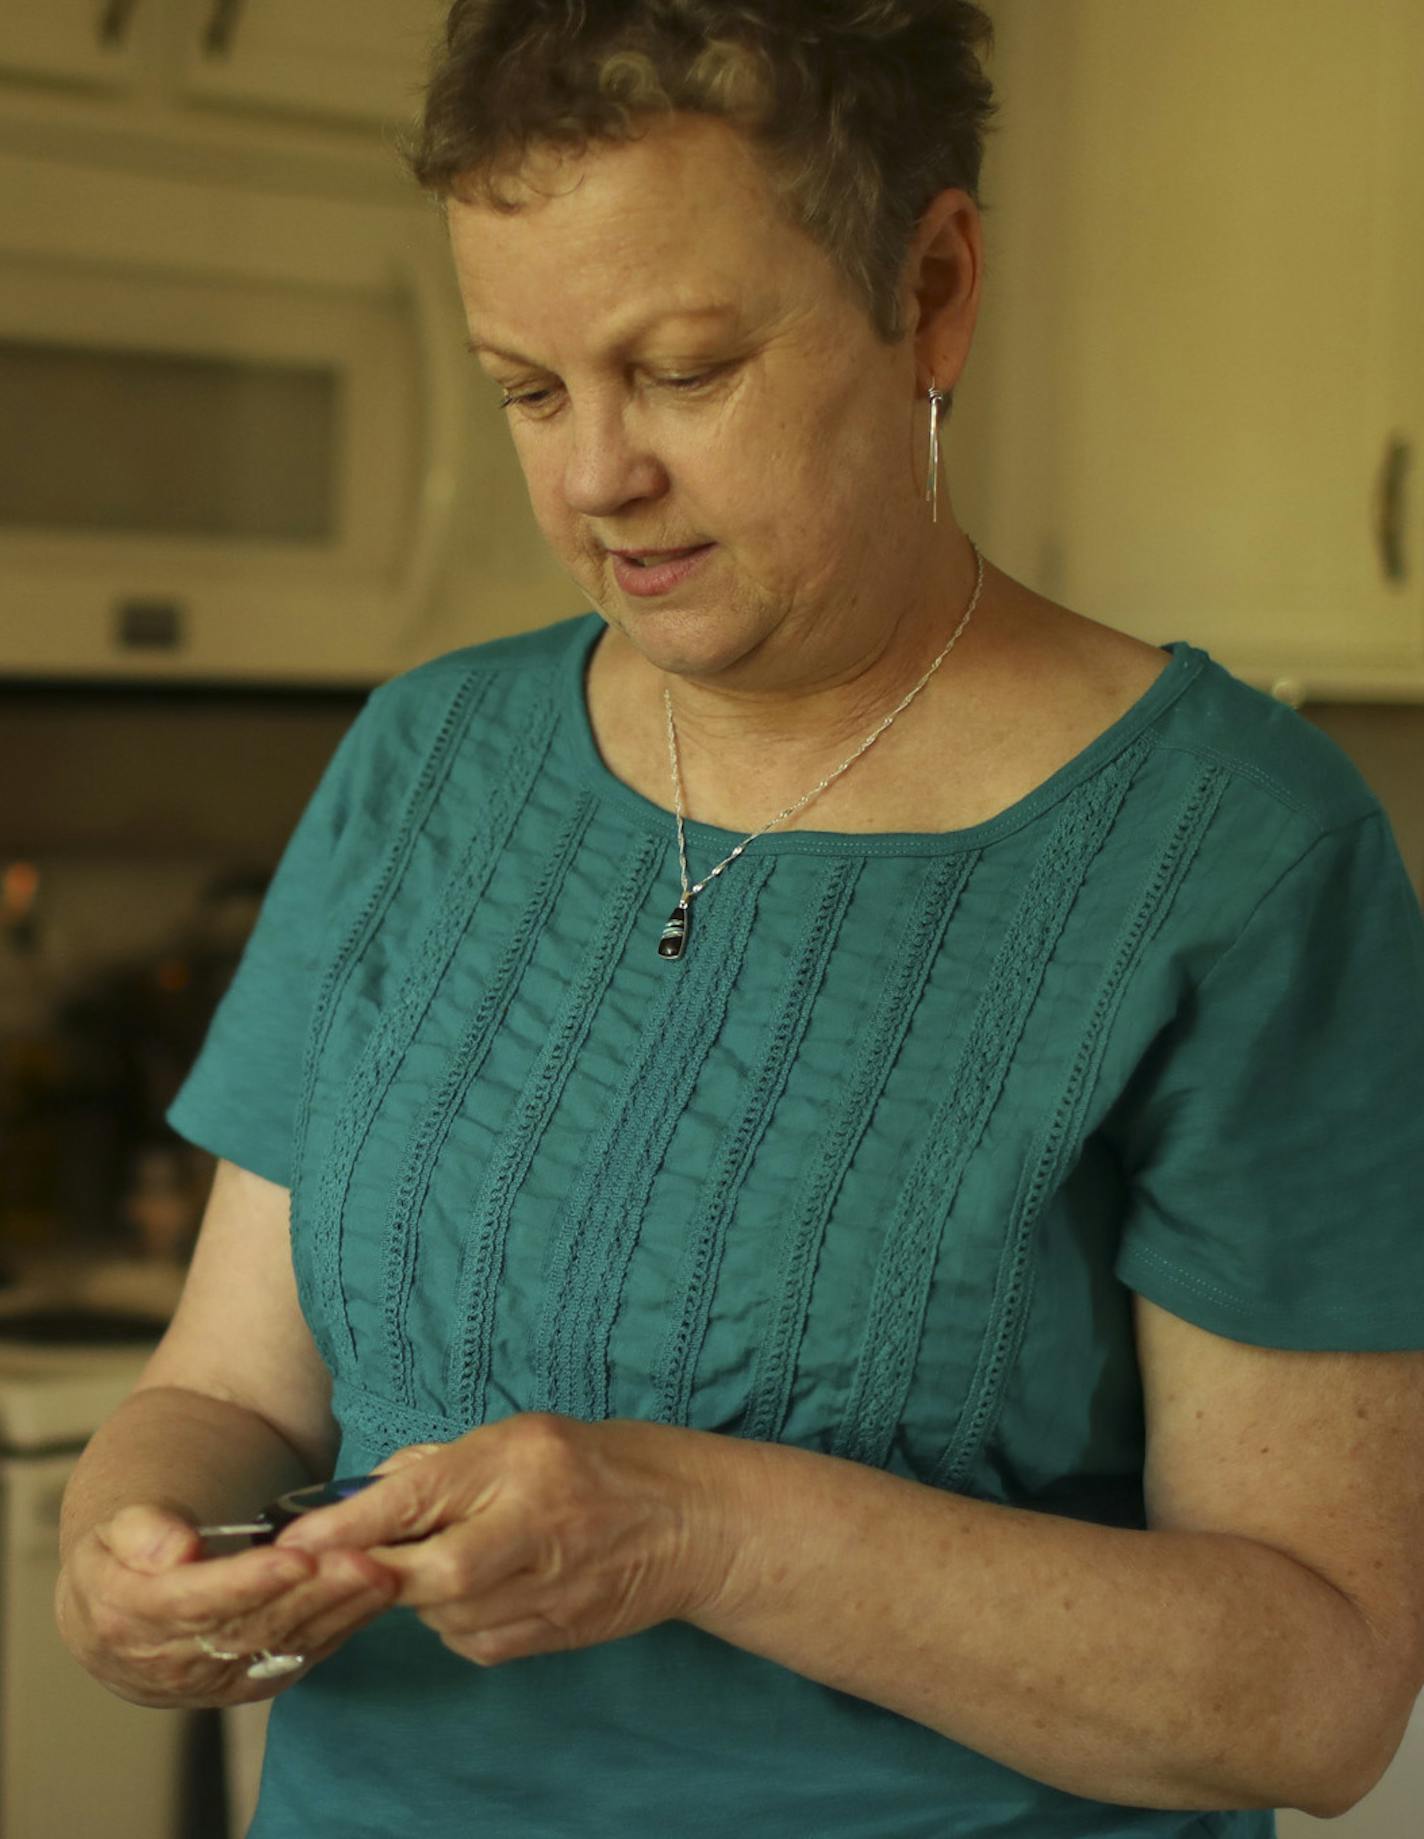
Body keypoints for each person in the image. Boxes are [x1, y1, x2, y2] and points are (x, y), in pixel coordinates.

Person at [55, 4, 1424, 1835]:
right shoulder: (429, 763)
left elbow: (1314, 1695)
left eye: (684, 370)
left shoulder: (1236, 854)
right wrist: (127, 1553)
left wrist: (694, 1528)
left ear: (931, 288)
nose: (592, 475)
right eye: (524, 390)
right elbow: (229, 1388)